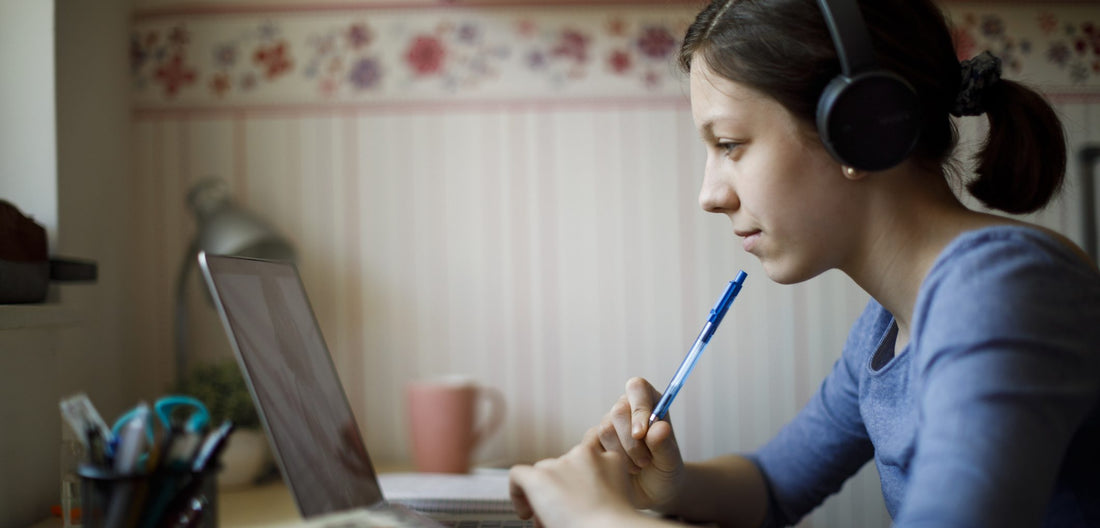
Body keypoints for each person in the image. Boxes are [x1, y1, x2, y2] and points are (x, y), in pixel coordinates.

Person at [506, 0, 1100, 526]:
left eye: (730, 145)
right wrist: (668, 486)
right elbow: (771, 486)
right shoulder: (884, 328)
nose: (710, 195)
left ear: (857, 129)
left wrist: (593, 518)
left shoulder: (1006, 290)